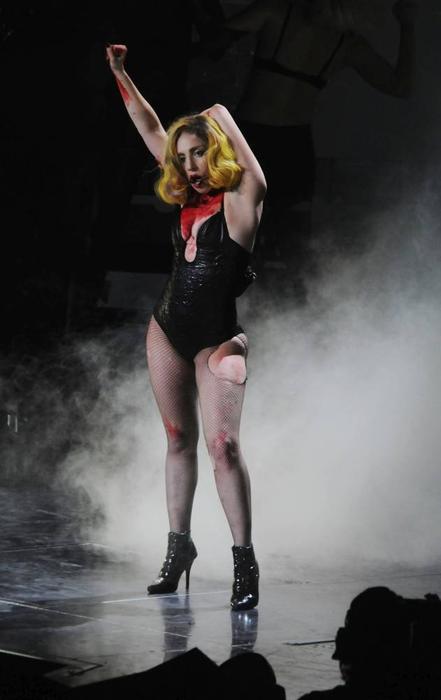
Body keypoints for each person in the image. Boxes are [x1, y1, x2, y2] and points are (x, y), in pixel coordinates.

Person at [106, 44, 266, 611]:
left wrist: (215, 114)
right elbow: (149, 125)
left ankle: (244, 562)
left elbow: (255, 172)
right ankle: (179, 549)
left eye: (199, 154)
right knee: (178, 440)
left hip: (218, 340)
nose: (190, 166)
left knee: (224, 446)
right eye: (183, 157)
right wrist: (121, 73)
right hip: (168, 329)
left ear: (216, 152)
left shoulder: (241, 204)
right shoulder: (184, 199)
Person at [218, 0, 417, 283]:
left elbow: (401, 86)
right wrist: (407, 25)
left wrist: (408, 25)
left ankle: (278, 300)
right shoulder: (282, 13)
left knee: (282, 239)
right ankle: (254, 297)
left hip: (277, 144)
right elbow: (213, 44)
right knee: (254, 236)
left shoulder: (282, 14)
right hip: (269, 143)